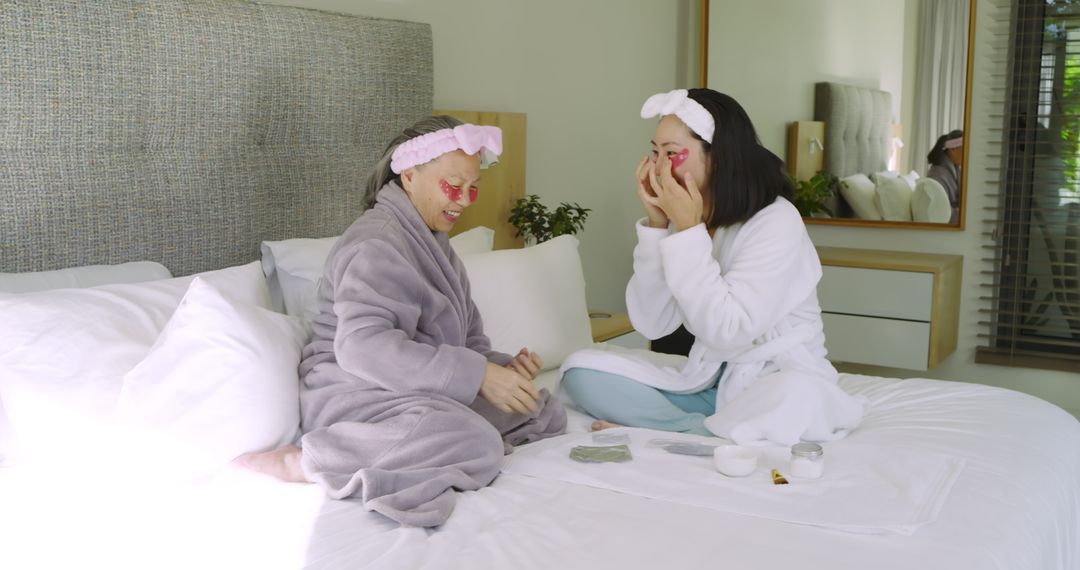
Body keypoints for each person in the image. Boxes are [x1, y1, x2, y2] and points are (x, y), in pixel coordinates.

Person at [235, 115, 566, 527]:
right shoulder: (376, 242)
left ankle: (431, 441)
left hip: (417, 388)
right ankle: (310, 460)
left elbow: (470, 345)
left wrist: (501, 370)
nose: (463, 200)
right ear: (409, 176)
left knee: (539, 408)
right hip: (355, 391)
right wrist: (478, 376)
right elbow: (361, 347)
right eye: (452, 186)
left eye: (472, 188)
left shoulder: (437, 247)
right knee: (476, 441)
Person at [560, 88, 864, 446]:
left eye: (672, 154)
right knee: (579, 370)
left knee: (800, 395)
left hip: (774, 377)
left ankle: (686, 430)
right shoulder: (687, 217)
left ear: (716, 158)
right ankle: (700, 428)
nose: (658, 167)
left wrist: (688, 232)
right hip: (707, 381)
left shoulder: (776, 220)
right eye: (654, 152)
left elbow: (728, 330)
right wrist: (657, 228)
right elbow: (652, 322)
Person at [926, 129, 963, 224]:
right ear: (953, 149)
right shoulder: (937, 175)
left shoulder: (956, 170)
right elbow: (940, 211)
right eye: (965, 149)